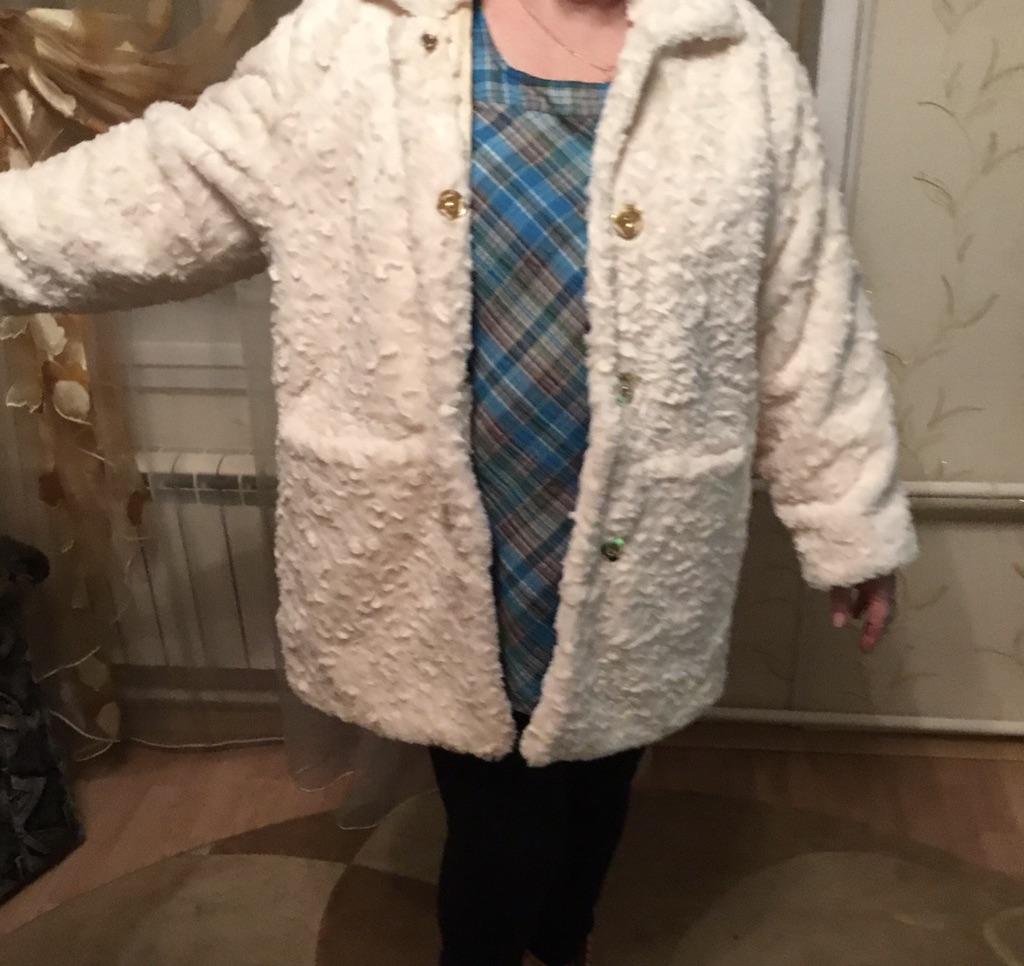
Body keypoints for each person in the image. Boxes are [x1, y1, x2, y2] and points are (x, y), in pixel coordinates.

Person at [0, 0, 918, 962]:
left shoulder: (736, 62)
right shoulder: (352, 43)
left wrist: (849, 517)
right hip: (451, 542)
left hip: (642, 538)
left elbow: (806, 308)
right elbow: (153, 192)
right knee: (496, 819)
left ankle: (563, 940)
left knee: (600, 784)